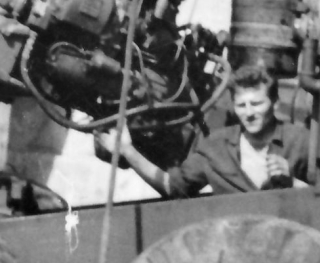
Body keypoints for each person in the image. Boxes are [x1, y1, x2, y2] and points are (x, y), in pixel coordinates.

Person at [96, 61, 309, 197]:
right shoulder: (216, 146)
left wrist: (293, 181)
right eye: (242, 106)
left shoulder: (300, 141)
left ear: (275, 104)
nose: (249, 113)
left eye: (257, 104)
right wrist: (128, 150)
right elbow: (173, 186)